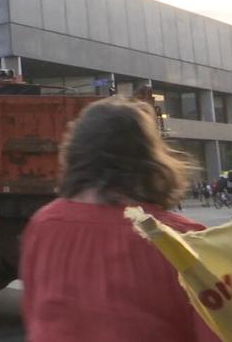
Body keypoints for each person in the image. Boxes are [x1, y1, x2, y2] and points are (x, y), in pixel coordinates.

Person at [20, 97, 219, 341]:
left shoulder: (43, 225)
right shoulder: (184, 242)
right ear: (149, 158)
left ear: (75, 155)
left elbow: (35, 314)